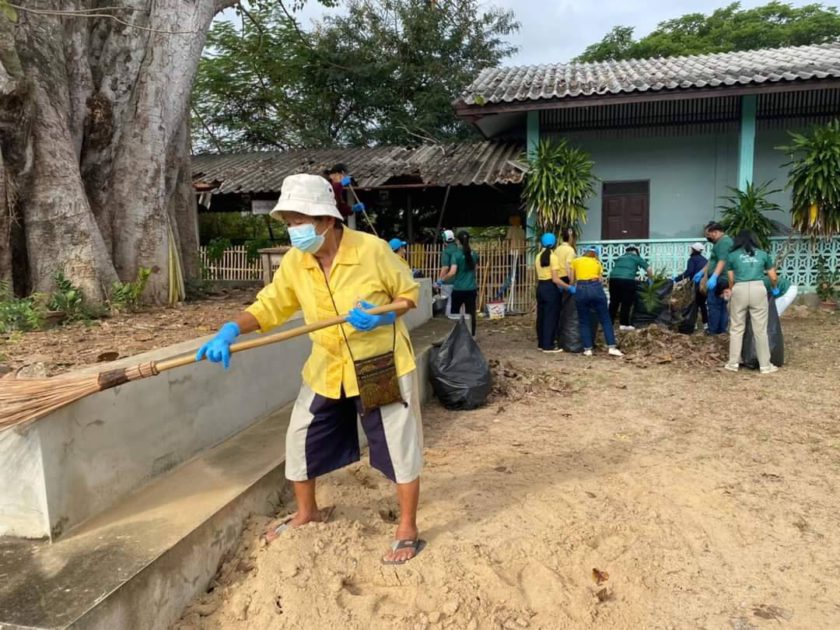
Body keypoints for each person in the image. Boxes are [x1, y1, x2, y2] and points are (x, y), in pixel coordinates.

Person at [196, 174, 425, 565]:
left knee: (397, 443)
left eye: (300, 221)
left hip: (377, 363)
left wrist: (382, 317)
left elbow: (408, 296)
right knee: (301, 438)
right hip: (327, 364)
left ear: (327, 220)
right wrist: (231, 329)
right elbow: (270, 305)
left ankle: (406, 528)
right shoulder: (295, 262)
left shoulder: (372, 250)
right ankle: (307, 513)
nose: (294, 231)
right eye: (289, 223)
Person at [722, 230, 779, 374]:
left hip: (739, 288)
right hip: (758, 289)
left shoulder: (732, 256)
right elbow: (773, 277)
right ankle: (765, 365)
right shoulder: (763, 254)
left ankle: (733, 363)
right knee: (760, 330)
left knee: (736, 328)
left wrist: (732, 290)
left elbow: (730, 279)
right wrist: (774, 288)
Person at [569, 246, 624, 357]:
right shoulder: (597, 263)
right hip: (596, 288)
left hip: (581, 288)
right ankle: (612, 347)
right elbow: (600, 280)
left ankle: (587, 349)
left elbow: (571, 279)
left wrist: (573, 286)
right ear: (596, 254)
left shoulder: (576, 261)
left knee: (584, 321)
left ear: (585, 252)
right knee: (605, 319)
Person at [694, 221, 734, 335]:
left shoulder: (724, 242)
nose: (708, 238)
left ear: (715, 232)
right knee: (720, 304)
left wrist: (715, 276)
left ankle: (714, 330)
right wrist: (701, 272)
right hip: (719, 277)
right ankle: (720, 330)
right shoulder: (719, 243)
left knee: (715, 304)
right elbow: (712, 261)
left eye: (708, 235)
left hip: (721, 278)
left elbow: (722, 260)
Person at [535, 233, 572, 353]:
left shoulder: (538, 256)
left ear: (542, 243)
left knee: (541, 316)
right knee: (550, 317)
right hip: (550, 288)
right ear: (555, 243)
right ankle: (548, 345)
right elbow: (555, 279)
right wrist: (568, 287)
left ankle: (541, 344)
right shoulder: (553, 257)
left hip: (540, 287)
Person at [441, 231, 479, 336]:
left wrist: (443, 279)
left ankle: (455, 335)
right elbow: (475, 269)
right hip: (471, 289)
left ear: (458, 241)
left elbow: (452, 272)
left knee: (455, 313)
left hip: (458, 289)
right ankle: (472, 335)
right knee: (471, 313)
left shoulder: (456, 255)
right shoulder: (474, 254)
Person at [608, 245, 652, 331]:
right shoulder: (636, 257)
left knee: (614, 302)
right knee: (626, 302)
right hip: (627, 280)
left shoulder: (620, 258)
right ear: (636, 252)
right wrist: (651, 280)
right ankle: (624, 324)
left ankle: (609, 323)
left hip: (613, 279)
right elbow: (649, 269)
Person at [675, 242, 709, 330]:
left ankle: (693, 324)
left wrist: (677, 279)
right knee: (702, 304)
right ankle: (706, 324)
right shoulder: (705, 260)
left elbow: (689, 272)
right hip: (704, 285)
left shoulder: (692, 259)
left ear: (693, 250)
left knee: (693, 305)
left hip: (695, 285)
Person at [434, 230, 459, 319]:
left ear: (444, 240)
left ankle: (449, 320)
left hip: (448, 281)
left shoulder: (446, 252)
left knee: (448, 303)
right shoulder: (459, 250)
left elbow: (445, 268)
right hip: (460, 282)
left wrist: (440, 280)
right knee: (459, 303)